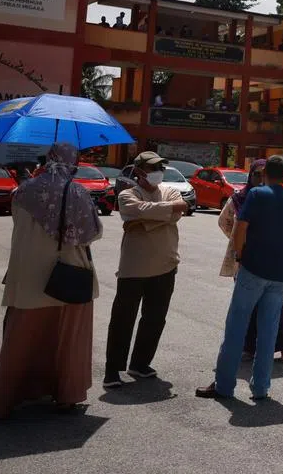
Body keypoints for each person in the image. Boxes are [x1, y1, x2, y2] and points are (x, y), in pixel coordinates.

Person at [0, 142, 102, 420]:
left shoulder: (22, 190)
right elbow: (90, 233)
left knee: (21, 339)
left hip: (26, 274)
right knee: (66, 339)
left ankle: (6, 400)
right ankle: (65, 395)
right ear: (71, 162)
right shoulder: (76, 192)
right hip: (68, 274)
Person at [196, 156, 283, 400]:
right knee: (268, 331)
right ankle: (261, 388)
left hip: (253, 270)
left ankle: (224, 385)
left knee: (236, 327)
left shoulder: (256, 196)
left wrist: (240, 255)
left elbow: (240, 228)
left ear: (265, 174)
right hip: (280, 275)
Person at [105, 151, 188, 389]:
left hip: (165, 264)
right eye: (152, 169)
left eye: (159, 169)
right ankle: (113, 370)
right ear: (140, 172)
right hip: (133, 267)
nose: (157, 173)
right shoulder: (127, 194)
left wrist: (143, 219)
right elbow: (133, 212)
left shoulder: (170, 191)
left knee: (155, 318)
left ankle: (140, 363)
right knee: (122, 319)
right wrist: (164, 213)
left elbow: (179, 210)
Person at [218, 160, 283, 363]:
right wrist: (239, 245)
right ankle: (249, 349)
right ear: (250, 176)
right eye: (256, 175)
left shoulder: (282, 200)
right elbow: (225, 221)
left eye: (263, 174)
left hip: (271, 261)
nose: (260, 179)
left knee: (274, 308)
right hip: (245, 261)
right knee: (246, 308)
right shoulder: (240, 198)